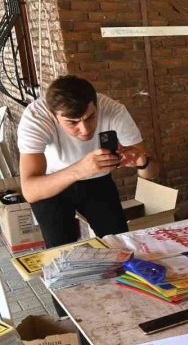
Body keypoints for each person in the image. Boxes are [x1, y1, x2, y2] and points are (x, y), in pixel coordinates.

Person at [17, 75, 159, 247]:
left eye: (90, 118)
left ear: (96, 106)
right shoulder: (36, 118)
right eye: (72, 122)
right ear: (54, 116)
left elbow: (151, 173)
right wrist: (79, 170)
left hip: (97, 180)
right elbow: (30, 190)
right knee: (62, 250)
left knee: (119, 242)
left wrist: (141, 161)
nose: (84, 130)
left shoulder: (113, 110)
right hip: (51, 182)